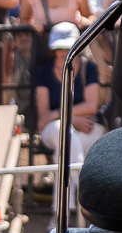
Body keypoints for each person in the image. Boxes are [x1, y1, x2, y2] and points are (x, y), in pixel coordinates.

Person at [34, 21, 104, 163]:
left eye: (68, 47)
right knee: (63, 133)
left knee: (69, 146)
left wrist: (58, 114)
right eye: (59, 47)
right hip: (54, 129)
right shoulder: (43, 72)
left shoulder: (89, 68)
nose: (64, 52)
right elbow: (43, 116)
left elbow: (91, 106)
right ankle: (78, 184)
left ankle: (65, 185)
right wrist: (71, 119)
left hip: (88, 126)